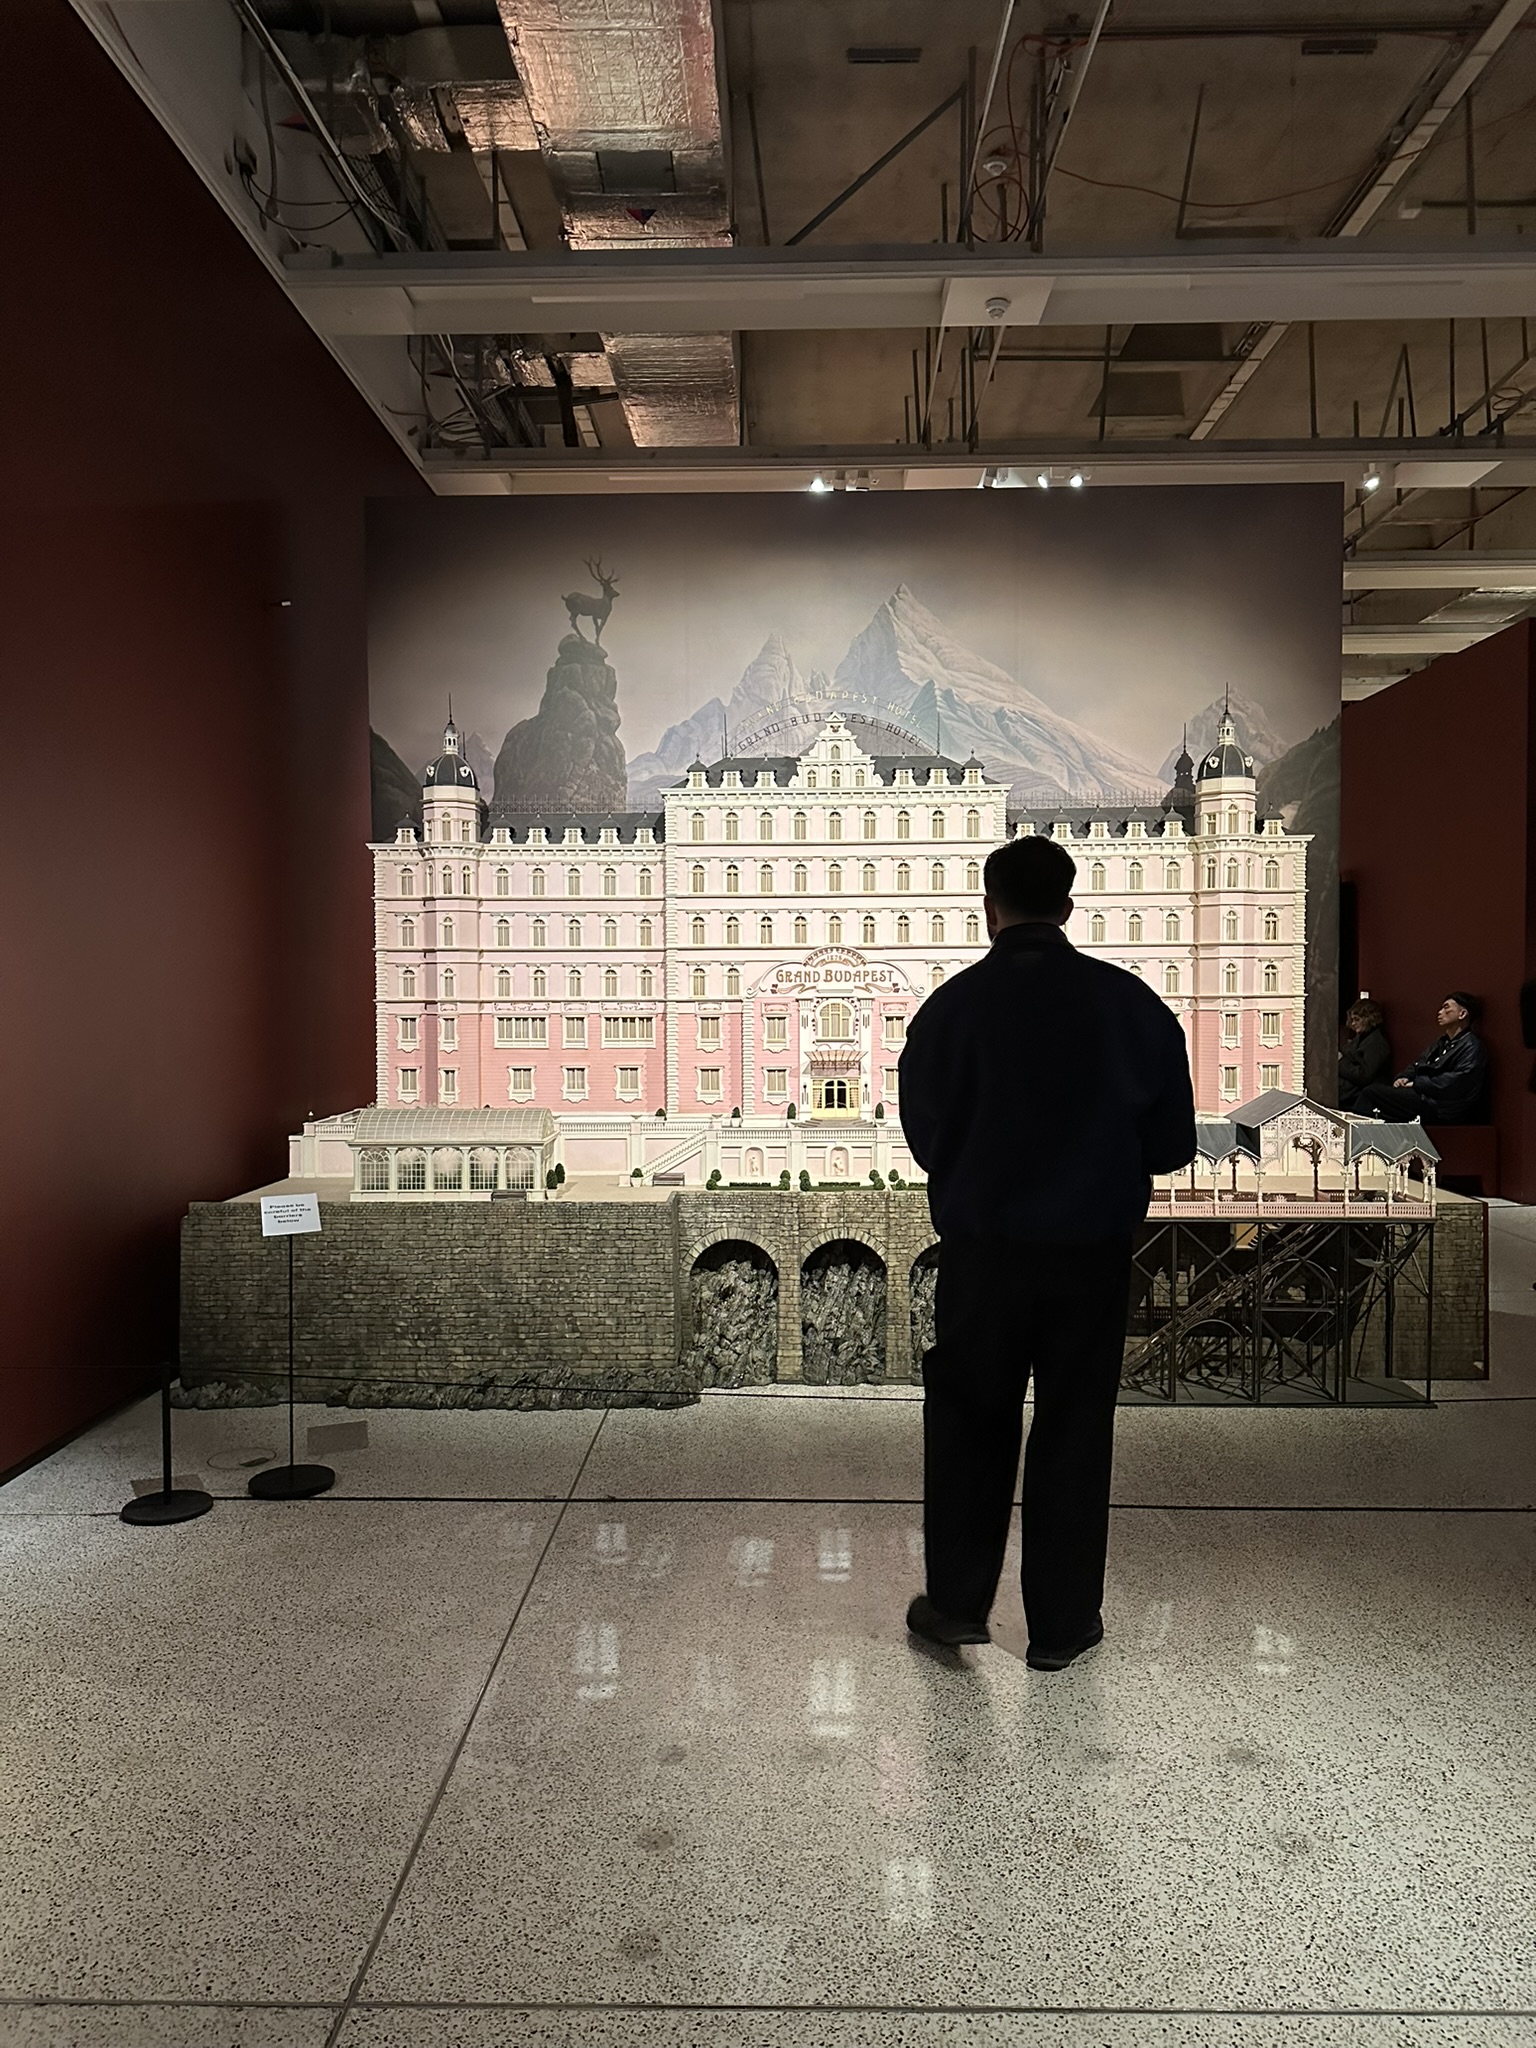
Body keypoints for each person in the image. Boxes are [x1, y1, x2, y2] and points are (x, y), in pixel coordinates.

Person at [897, 833, 1196, 1672]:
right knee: (1075, 1426)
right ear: (1068, 907)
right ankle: (1062, 1628)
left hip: (983, 1255)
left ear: (988, 908)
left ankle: (957, 1604)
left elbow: (925, 1141)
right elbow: (1173, 1146)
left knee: (969, 1419)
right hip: (1090, 1256)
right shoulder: (1132, 1006)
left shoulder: (948, 1010)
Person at [1352, 992, 1489, 1124]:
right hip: (1426, 1096)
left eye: (1446, 1008)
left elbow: (1457, 1082)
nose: (1440, 1012)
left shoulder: (1471, 1045)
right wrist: (1404, 1077)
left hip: (1443, 1107)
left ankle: (1356, 1135)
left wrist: (1417, 1084)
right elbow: (1418, 1064)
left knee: (1371, 1093)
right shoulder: (1441, 1042)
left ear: (1462, 1014)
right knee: (1379, 1102)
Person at [1338, 999, 1392, 1111]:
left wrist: (1341, 1062)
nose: (1353, 1024)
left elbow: (1364, 1076)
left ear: (1369, 1019)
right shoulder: (1362, 1038)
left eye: (1357, 1019)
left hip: (1359, 1093)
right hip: (1351, 1088)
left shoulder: (1377, 1043)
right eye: (1352, 1020)